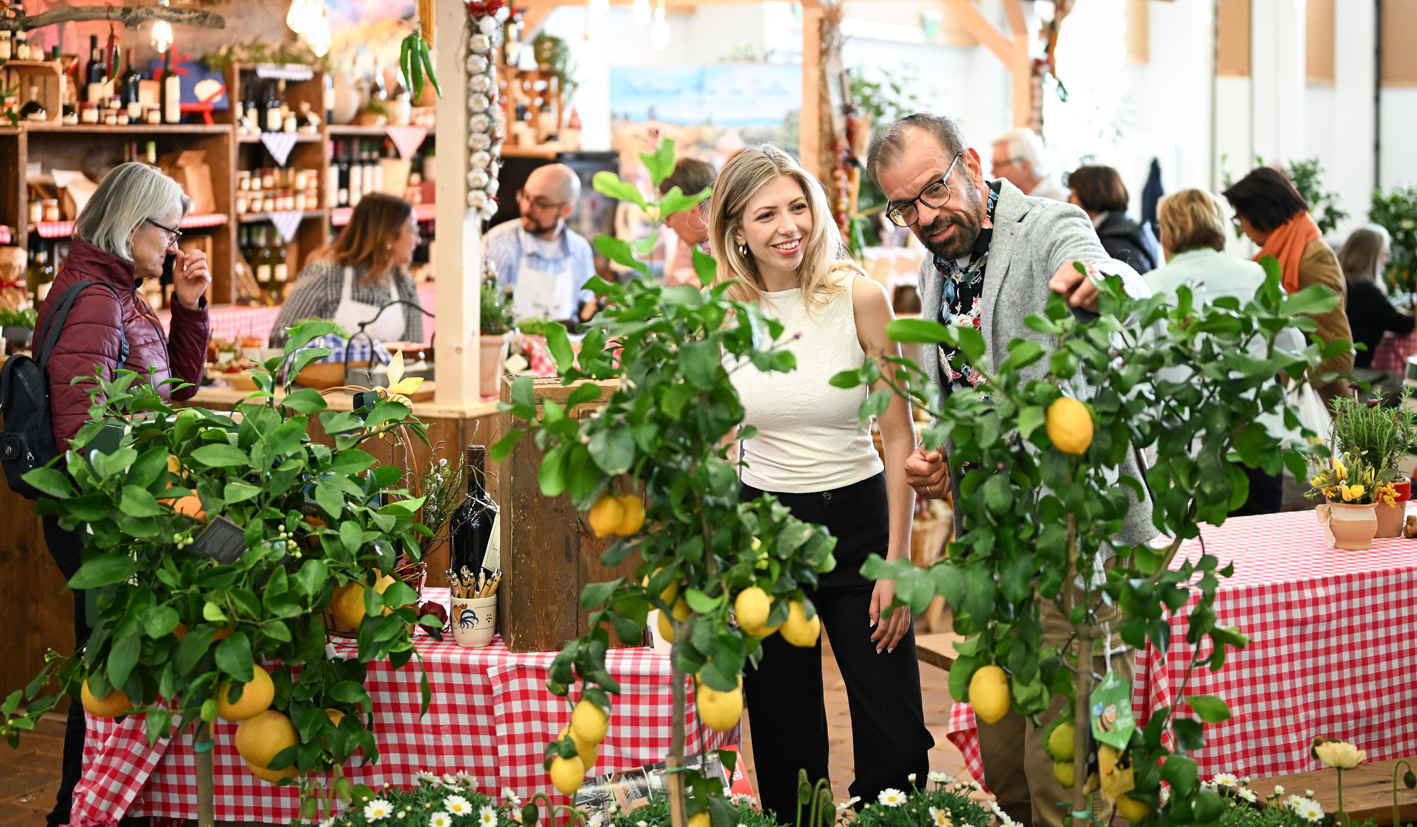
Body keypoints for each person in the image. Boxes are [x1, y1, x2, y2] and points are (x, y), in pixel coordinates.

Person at [867, 113, 1153, 827]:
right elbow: (969, 392)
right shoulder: (938, 265)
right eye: (903, 206)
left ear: (969, 163)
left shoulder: (1047, 225)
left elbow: (1106, 272)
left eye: (933, 190)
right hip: (991, 543)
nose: (923, 216)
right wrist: (944, 455)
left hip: (1074, 536)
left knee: (1073, 760)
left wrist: (1100, 283)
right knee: (1004, 764)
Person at [712, 144, 933, 822]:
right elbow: (713, 443)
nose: (789, 227)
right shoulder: (720, 313)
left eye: (798, 206)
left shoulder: (859, 297)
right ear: (736, 231)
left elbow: (899, 435)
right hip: (765, 536)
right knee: (785, 741)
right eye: (766, 215)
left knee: (897, 741)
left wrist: (898, 560)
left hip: (861, 528)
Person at [33, 162, 211, 827]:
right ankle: (73, 811)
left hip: (116, 507)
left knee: (106, 668)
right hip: (102, 514)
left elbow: (173, 393)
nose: (174, 245)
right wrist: (146, 503)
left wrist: (186, 309)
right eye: (169, 231)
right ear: (132, 225)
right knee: (105, 672)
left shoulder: (117, 291)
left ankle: (89, 807)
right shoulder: (99, 300)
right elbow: (86, 436)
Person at [1147, 189, 1285, 515]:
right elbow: (1291, 349)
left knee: (1186, 543)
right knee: (1259, 540)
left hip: (1183, 447)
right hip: (1254, 439)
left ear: (1166, 232)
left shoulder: (1148, 287)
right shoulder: (1259, 275)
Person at [1223, 167, 1354, 406]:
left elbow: (1340, 355)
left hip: (1318, 409)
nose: (1240, 228)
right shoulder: (1280, 254)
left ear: (1262, 214)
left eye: (1239, 218)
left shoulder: (1313, 259)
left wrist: (1276, 381)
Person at [270, 193, 425, 347]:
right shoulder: (325, 275)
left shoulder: (405, 286)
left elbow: (415, 351)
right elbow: (280, 338)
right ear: (389, 236)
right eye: (412, 231)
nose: (418, 240)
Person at [484, 163, 597, 323]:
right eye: (525, 196)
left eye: (541, 203)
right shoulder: (498, 244)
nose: (527, 208)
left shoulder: (580, 250)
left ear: (566, 211)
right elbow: (484, 312)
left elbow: (586, 305)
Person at [1338, 226, 1411, 370]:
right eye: (1385, 254)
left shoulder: (1341, 282)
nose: (1386, 260)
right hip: (1355, 368)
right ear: (1370, 256)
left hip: (1329, 364)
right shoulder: (1364, 290)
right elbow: (1400, 324)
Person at [1067, 165, 1160, 274]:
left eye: (1073, 194)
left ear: (1089, 194)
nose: (1069, 200)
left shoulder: (1115, 242)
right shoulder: (1129, 228)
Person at [658, 157, 715, 287]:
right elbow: (674, 288)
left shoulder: (733, 247)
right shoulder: (693, 241)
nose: (668, 225)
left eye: (667, 216)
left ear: (693, 209)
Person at [990, 127, 1068, 202]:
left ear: (1025, 166)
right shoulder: (1013, 200)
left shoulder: (1060, 202)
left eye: (998, 165)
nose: (992, 171)